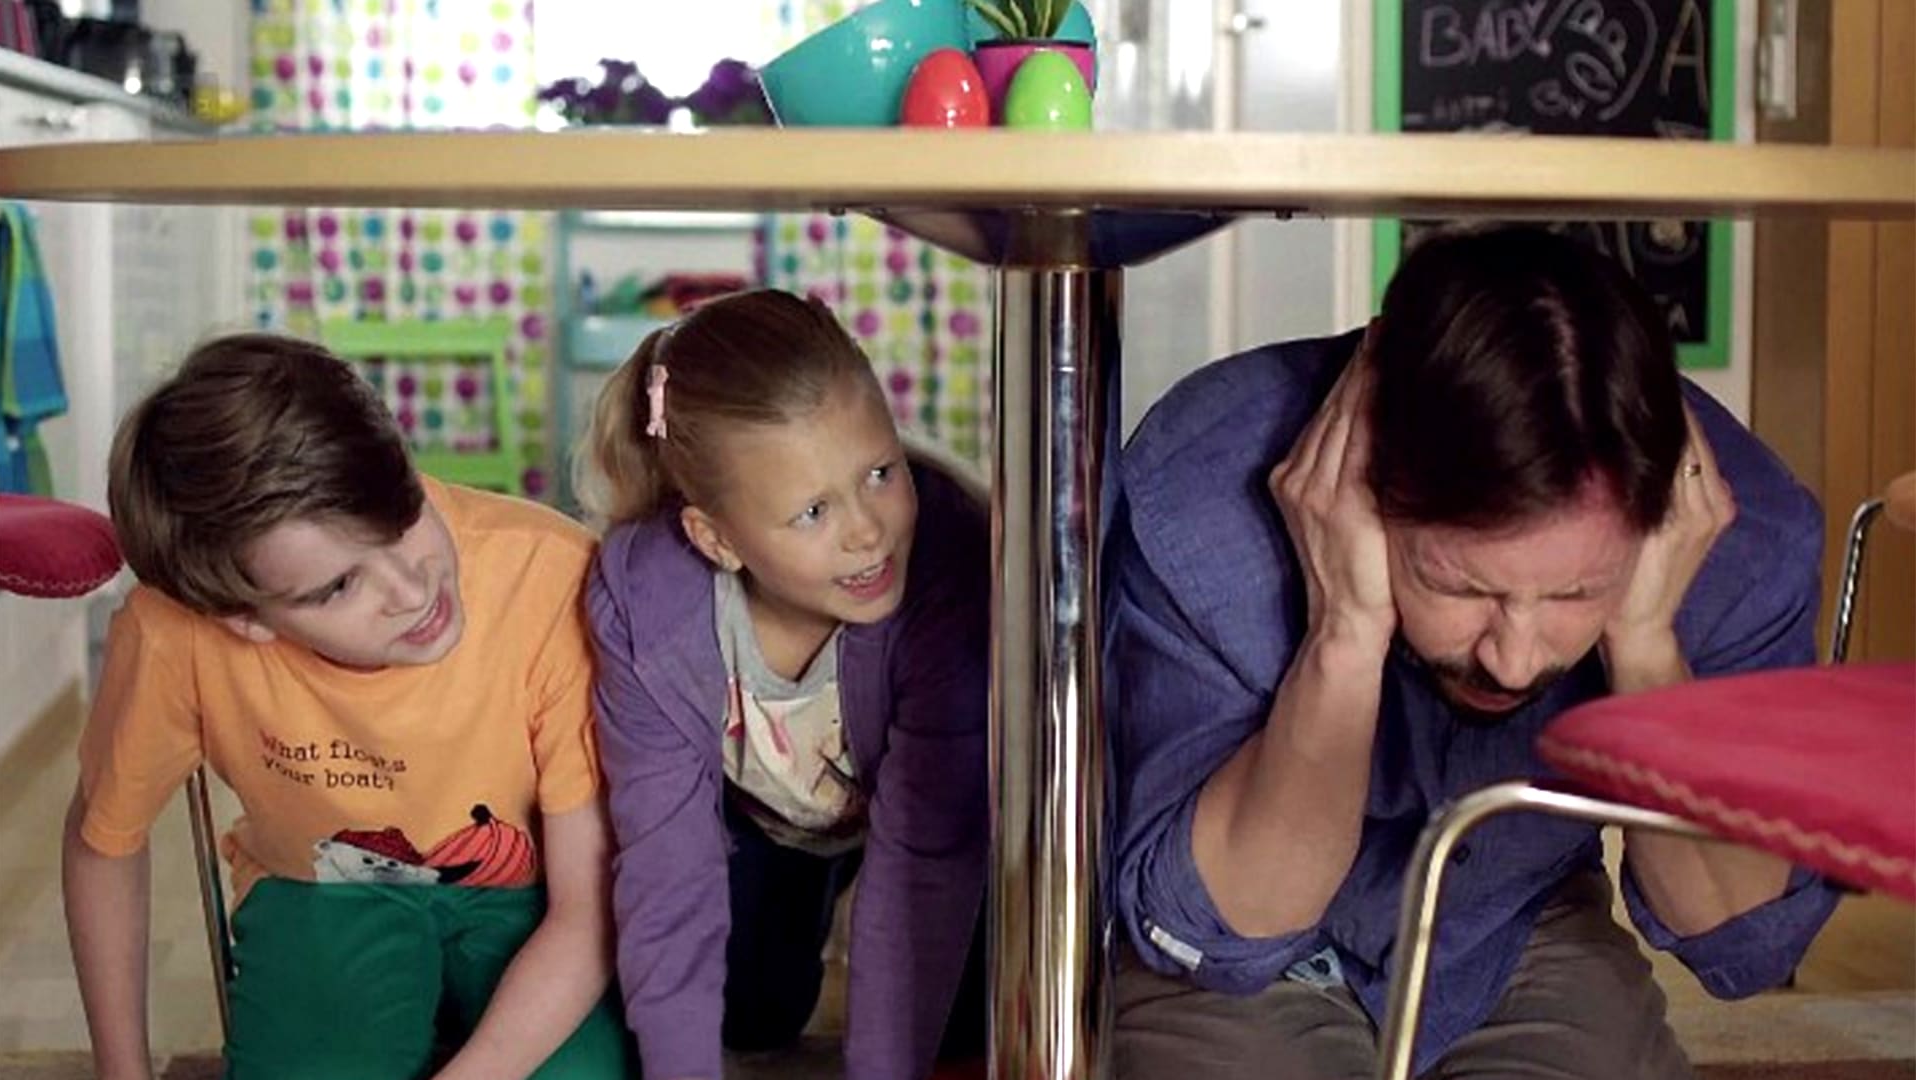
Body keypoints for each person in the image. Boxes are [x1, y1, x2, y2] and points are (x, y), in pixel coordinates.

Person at [1106, 226, 1841, 1079]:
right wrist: (1345, 632)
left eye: (1574, 594)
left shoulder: (1740, 540)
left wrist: (1645, 648)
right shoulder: (1203, 500)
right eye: (1461, 587)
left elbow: (1738, 939)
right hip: (1254, 956)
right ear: (1363, 495)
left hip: (1516, 921)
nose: (1514, 661)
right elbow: (1220, 930)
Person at [64, 334, 630, 1079]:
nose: (411, 590)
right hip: (320, 892)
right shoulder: (175, 635)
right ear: (244, 618)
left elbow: (587, 913)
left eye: (403, 514)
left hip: (541, 898)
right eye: (338, 587)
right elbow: (104, 840)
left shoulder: (553, 576)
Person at [578, 289, 990, 1080]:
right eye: (812, 513)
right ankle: (809, 898)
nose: (867, 531)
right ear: (716, 539)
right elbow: (666, 870)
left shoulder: (946, 573)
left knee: (957, 1020)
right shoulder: (646, 609)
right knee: (752, 1012)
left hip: (939, 809)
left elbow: (926, 853)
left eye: (881, 472)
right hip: (770, 821)